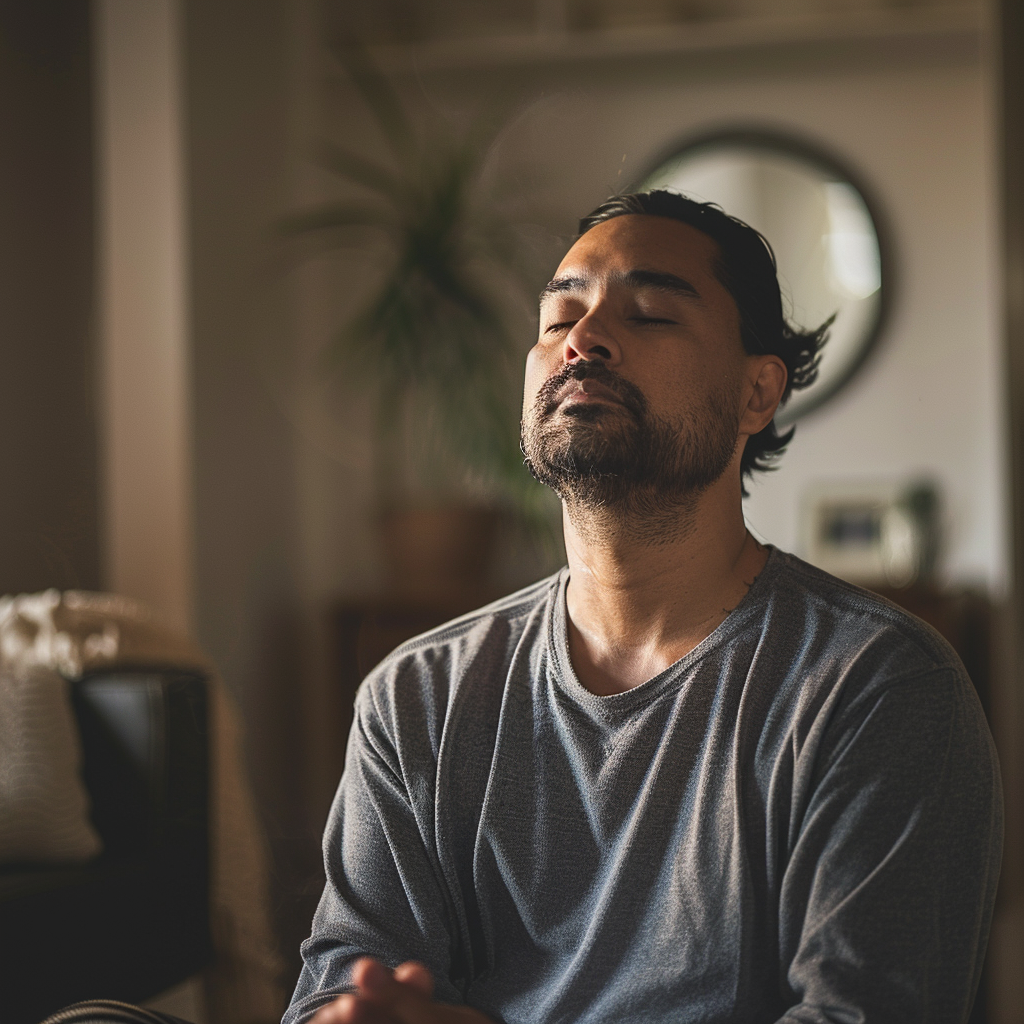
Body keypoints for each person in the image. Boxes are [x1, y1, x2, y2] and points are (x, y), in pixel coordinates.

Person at [284, 191, 1003, 1024]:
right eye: (559, 317)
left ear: (755, 393)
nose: (583, 341)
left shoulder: (875, 690)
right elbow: (335, 998)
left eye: (653, 313)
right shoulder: (418, 698)